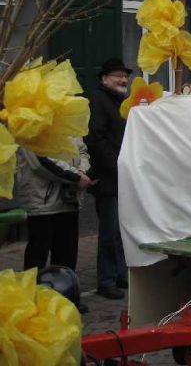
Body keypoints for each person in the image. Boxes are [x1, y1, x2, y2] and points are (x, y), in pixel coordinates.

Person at [15, 138, 92, 312]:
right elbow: (40, 161)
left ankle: (65, 300)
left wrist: (81, 171)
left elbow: (82, 150)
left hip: (69, 199)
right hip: (43, 201)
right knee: (37, 257)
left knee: (67, 253)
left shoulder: (69, 124)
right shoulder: (30, 127)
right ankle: (32, 302)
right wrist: (76, 176)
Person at [85, 58, 131, 300]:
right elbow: (95, 138)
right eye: (117, 76)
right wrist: (116, 164)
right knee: (110, 232)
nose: (123, 80)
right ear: (104, 79)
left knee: (122, 230)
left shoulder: (122, 102)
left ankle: (120, 274)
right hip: (107, 177)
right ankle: (107, 280)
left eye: (125, 76)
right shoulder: (99, 100)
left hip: (122, 176)